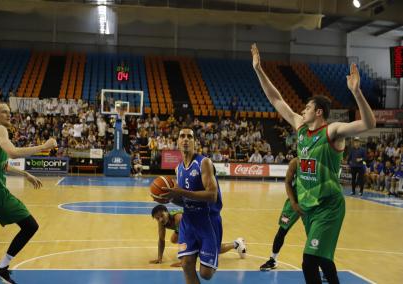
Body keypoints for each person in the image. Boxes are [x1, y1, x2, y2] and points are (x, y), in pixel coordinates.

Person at [251, 44, 376, 284]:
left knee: (309, 263)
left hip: (328, 207)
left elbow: (368, 124)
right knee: (322, 260)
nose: (302, 109)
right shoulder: (300, 126)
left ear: (318, 112)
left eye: (307, 107)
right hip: (309, 206)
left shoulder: (333, 131)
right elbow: (276, 99)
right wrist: (258, 70)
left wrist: (357, 93)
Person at [0, 101, 57, 284]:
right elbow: (13, 153)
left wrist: (25, 174)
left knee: (30, 226)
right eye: (4, 112)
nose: (9, 114)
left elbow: (1, 163)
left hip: (0, 192)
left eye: (9, 111)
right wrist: (43, 147)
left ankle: (2, 267)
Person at [160, 128, 227, 284]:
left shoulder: (204, 163)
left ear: (194, 142)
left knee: (206, 274)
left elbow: (212, 195)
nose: (185, 139)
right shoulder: (178, 169)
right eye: (182, 136)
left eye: (189, 137)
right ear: (177, 142)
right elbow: (183, 200)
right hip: (188, 220)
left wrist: (181, 191)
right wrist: (168, 198)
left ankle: (211, 255)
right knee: (186, 264)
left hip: (208, 221)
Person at [150, 205, 246, 267]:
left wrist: (183, 261)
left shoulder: (179, 218)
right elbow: (161, 240)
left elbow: (185, 240)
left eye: (162, 215)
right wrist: (159, 258)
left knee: (212, 250)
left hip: (203, 224)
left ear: (167, 211)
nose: (160, 219)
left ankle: (236, 244)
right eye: (157, 218)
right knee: (174, 239)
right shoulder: (161, 223)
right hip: (191, 226)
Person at [260, 158, 302, 270]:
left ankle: (324, 268)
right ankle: (273, 259)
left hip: (311, 203)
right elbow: (288, 182)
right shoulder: (295, 162)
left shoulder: (319, 160)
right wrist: (293, 202)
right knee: (282, 230)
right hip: (293, 203)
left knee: (314, 234)